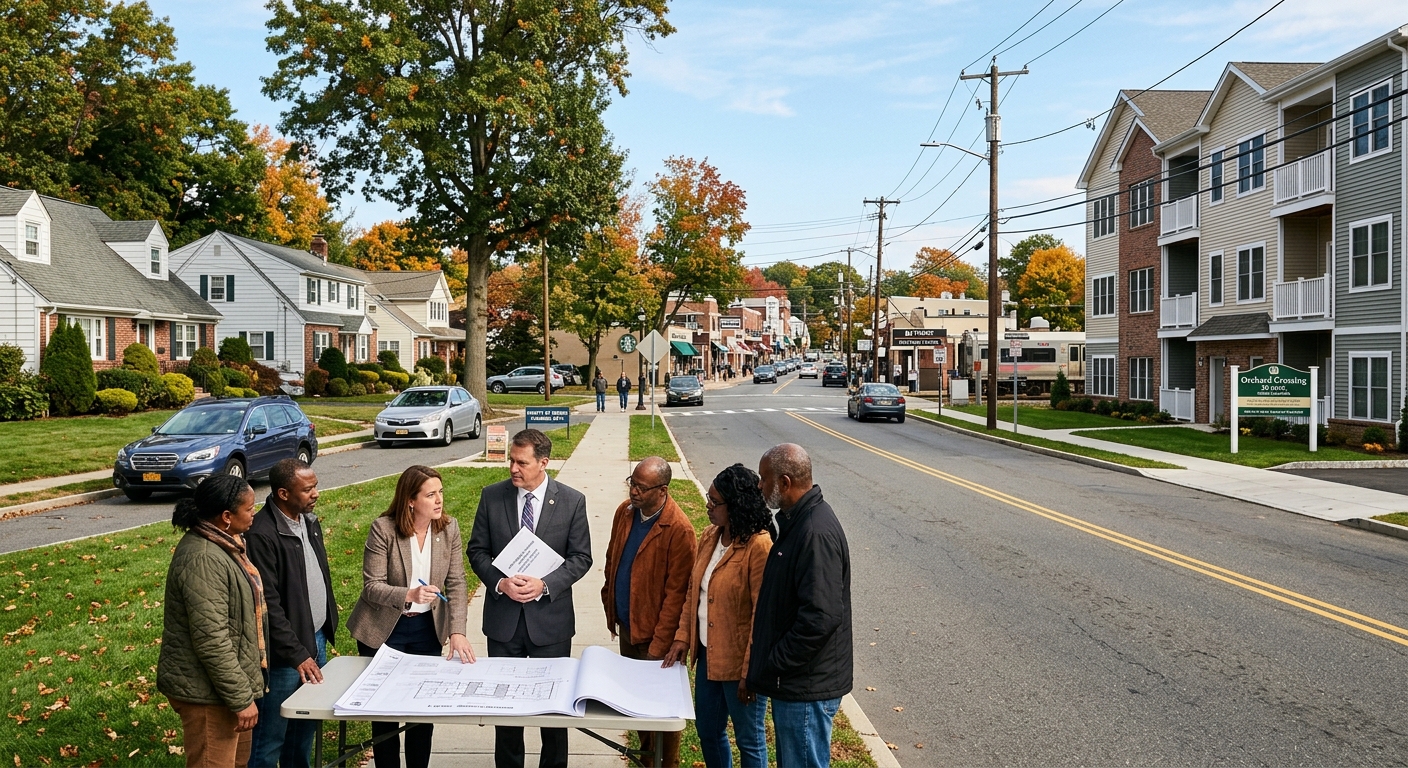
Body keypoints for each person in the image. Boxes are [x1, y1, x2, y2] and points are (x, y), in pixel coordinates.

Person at [468, 429, 592, 768]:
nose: (512, 468)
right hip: (503, 624)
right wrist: (499, 583)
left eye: (521, 462)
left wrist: (545, 585)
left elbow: (581, 558)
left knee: (553, 715)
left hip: (550, 625)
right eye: (511, 460)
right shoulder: (491, 497)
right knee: (506, 714)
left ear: (543, 463)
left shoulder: (571, 501)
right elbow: (477, 550)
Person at [347, 465, 474, 768]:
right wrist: (409, 594)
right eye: (431, 494)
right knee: (384, 713)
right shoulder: (384, 529)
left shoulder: (448, 528)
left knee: (421, 713)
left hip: (426, 631)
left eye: (440, 492)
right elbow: (372, 587)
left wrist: (457, 631)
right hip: (383, 630)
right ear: (411, 501)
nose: (439, 499)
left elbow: (456, 581)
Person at [746, 444, 853, 768]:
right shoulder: (796, 522)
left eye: (764, 480)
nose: (760, 487)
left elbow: (821, 617)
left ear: (785, 482)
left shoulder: (814, 532)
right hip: (795, 683)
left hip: (805, 686)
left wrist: (776, 660)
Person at [662, 465, 773, 768]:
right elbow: (692, 592)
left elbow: (762, 617)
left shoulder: (759, 545)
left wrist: (749, 672)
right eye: (709, 499)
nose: (708, 506)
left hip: (740, 665)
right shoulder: (710, 535)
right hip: (708, 657)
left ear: (736, 504)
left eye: (715, 502)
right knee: (708, 731)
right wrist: (683, 636)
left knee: (750, 740)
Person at [157, 474, 265, 768]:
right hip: (208, 694)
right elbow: (211, 639)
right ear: (227, 516)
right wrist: (241, 699)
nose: (254, 512)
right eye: (250, 508)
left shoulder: (225, 544)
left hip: (226, 690)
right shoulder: (204, 557)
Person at [601, 457, 696, 767]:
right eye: (632, 482)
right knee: (637, 707)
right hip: (629, 628)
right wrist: (611, 606)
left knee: (663, 712)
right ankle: (646, 761)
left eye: (641, 487)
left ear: (662, 490)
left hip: (658, 640)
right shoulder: (625, 513)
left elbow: (677, 596)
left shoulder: (679, 529)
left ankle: (666, 763)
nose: (634, 491)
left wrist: (658, 647)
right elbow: (613, 560)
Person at [245, 459, 337, 768]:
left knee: (303, 731)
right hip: (285, 656)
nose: (316, 494)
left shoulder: (308, 521)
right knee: (270, 738)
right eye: (308, 489)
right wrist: (297, 653)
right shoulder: (261, 534)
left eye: (315, 486)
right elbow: (267, 607)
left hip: (316, 640)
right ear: (283, 493)